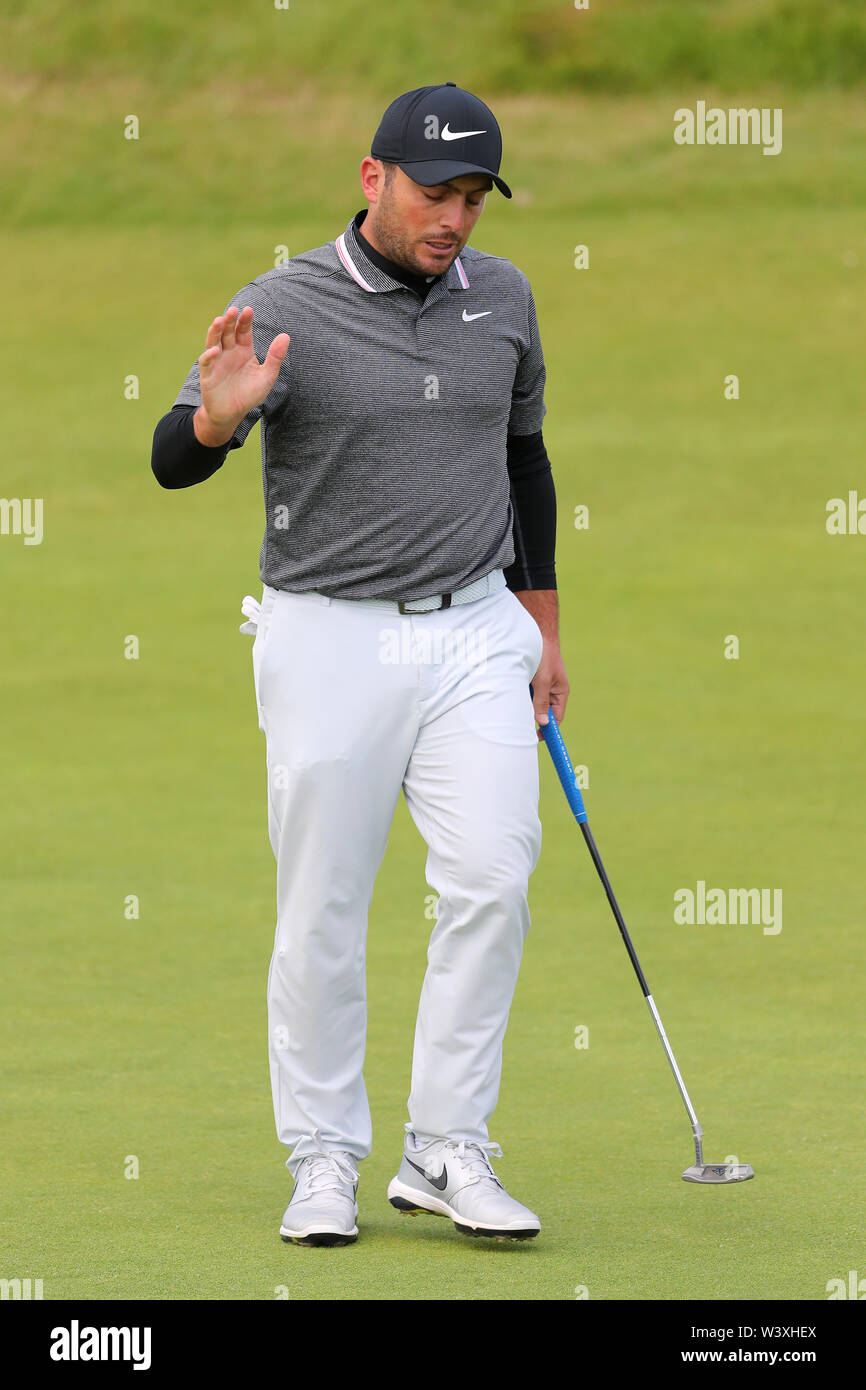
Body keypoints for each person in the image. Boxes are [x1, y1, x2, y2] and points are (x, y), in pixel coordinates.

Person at [151, 82, 569, 1247]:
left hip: (476, 626)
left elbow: (524, 463)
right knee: (324, 909)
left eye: (476, 196)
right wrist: (215, 421)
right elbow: (169, 465)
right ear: (371, 177)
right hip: (327, 634)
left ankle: (445, 1146)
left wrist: (540, 629)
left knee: (492, 872)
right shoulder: (281, 303)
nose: (455, 216)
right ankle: (324, 1157)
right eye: (436, 191)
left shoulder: (507, 298)